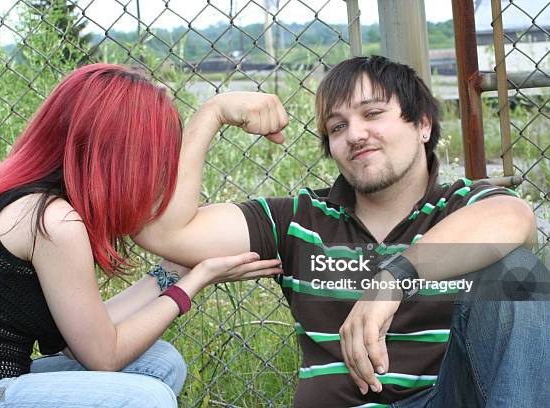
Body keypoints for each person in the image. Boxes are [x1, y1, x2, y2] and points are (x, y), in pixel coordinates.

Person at [134, 55, 549, 407]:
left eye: (372, 114)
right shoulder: (301, 220)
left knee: (518, 275)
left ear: (423, 124)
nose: (355, 135)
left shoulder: (459, 207)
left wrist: (392, 280)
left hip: (447, 397)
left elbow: (515, 219)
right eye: (337, 127)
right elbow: (165, 233)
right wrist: (213, 112)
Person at [0, 63, 282, 407]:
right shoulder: (53, 222)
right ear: (122, 157)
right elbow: (104, 356)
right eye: (157, 160)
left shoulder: (28, 198)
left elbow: (83, 339)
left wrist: (172, 271)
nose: (161, 175)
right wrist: (192, 284)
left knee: (159, 364)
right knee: (146, 398)